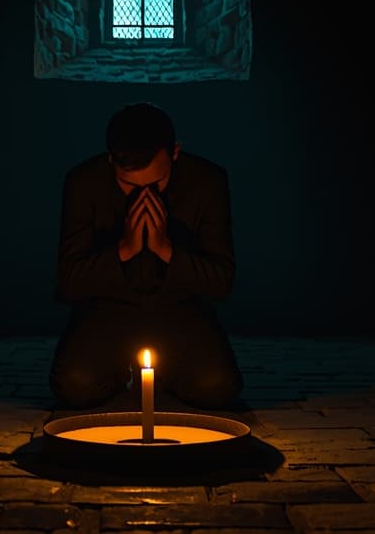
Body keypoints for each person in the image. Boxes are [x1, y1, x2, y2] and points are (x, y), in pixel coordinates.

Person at [48, 102, 244, 410]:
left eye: (155, 184)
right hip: (108, 305)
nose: (144, 197)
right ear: (110, 159)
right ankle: (121, 370)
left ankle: (165, 373)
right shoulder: (83, 183)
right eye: (129, 185)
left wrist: (165, 249)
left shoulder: (208, 182)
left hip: (180, 306)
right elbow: (69, 282)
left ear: (175, 153)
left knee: (217, 387)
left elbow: (221, 281)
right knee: (74, 384)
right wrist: (124, 250)